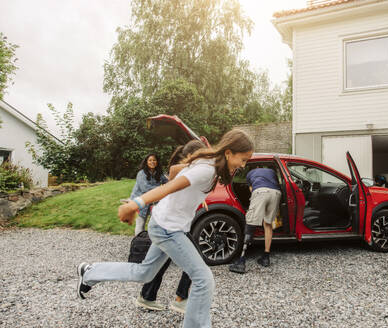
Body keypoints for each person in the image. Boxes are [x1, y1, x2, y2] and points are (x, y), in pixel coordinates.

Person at [76, 129, 254, 328]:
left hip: (163, 223)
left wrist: (196, 199)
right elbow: (169, 187)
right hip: (168, 229)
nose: (243, 165)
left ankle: (90, 272)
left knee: (145, 273)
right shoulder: (207, 168)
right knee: (204, 279)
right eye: (243, 159)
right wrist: (134, 204)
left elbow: (177, 171)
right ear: (229, 153)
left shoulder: (208, 161)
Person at [136, 140, 206, 313]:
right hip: (170, 224)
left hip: (170, 223)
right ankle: (181, 298)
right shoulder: (182, 168)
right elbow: (174, 180)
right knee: (195, 258)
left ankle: (147, 296)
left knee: (162, 262)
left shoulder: (188, 168)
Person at [229, 167, 281, 274]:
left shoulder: (250, 173)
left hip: (260, 191)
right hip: (276, 193)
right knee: (268, 224)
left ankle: (241, 261)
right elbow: (277, 183)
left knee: (250, 222)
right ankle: (266, 257)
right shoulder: (272, 171)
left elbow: (252, 190)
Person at [131, 153, 168, 236]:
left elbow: (168, 182)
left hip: (153, 201)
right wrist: (161, 189)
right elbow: (145, 188)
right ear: (146, 162)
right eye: (150, 160)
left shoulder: (159, 173)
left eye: (154, 160)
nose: (152, 162)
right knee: (141, 224)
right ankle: (138, 243)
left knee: (154, 223)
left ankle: (149, 242)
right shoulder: (141, 173)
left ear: (157, 162)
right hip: (140, 200)